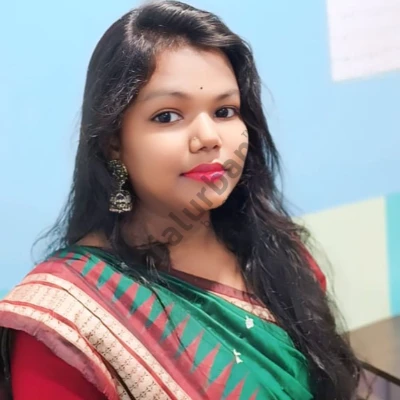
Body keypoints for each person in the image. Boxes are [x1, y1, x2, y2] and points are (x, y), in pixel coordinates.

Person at [0, 1, 361, 399]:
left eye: (225, 111)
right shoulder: (69, 324)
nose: (209, 137)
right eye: (168, 116)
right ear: (113, 143)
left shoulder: (281, 254)